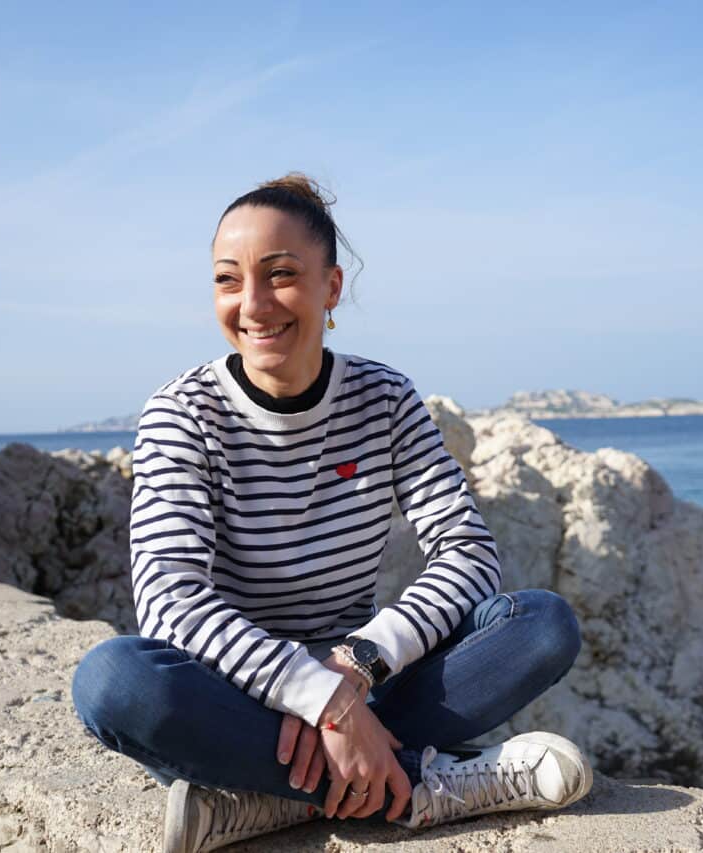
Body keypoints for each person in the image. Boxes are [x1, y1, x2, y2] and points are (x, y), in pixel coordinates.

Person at [70, 174, 592, 853]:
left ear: (332, 287)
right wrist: (320, 699)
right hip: (234, 699)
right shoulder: (182, 412)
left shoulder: (385, 399)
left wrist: (359, 666)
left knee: (544, 624)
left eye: (280, 274)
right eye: (228, 280)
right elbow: (171, 603)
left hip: (366, 686)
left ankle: (268, 800)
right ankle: (421, 784)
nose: (252, 304)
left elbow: (468, 551)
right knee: (113, 680)